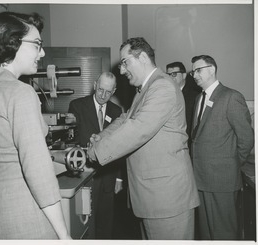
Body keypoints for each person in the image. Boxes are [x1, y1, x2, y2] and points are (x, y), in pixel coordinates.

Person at [0, 12, 71, 239]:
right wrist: (64, 235)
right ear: (12, 43)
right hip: (23, 222)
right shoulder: (19, 92)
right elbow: (39, 173)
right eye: (37, 44)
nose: (42, 52)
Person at [87, 37, 200, 240]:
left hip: (167, 200)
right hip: (152, 198)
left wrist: (96, 151)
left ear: (144, 58)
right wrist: (100, 137)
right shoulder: (145, 90)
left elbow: (138, 128)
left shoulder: (162, 87)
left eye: (125, 62)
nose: (121, 70)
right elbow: (125, 119)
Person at [190, 55, 254, 240]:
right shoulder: (198, 99)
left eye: (198, 70)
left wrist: (231, 164)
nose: (194, 74)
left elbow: (246, 138)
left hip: (222, 180)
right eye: (193, 71)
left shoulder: (231, 97)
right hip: (200, 178)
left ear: (212, 70)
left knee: (223, 233)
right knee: (206, 233)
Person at [68, 72, 123, 239]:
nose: (103, 95)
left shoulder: (117, 111)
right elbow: (72, 140)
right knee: (85, 222)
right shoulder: (77, 106)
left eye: (108, 92)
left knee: (106, 222)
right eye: (100, 89)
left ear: (114, 91)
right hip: (84, 174)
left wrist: (119, 178)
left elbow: (120, 146)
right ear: (94, 85)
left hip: (108, 175)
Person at [166, 62, 201, 148]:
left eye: (174, 74)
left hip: (188, 144)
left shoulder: (195, 96)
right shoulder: (165, 95)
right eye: (168, 74)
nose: (171, 77)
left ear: (184, 75)